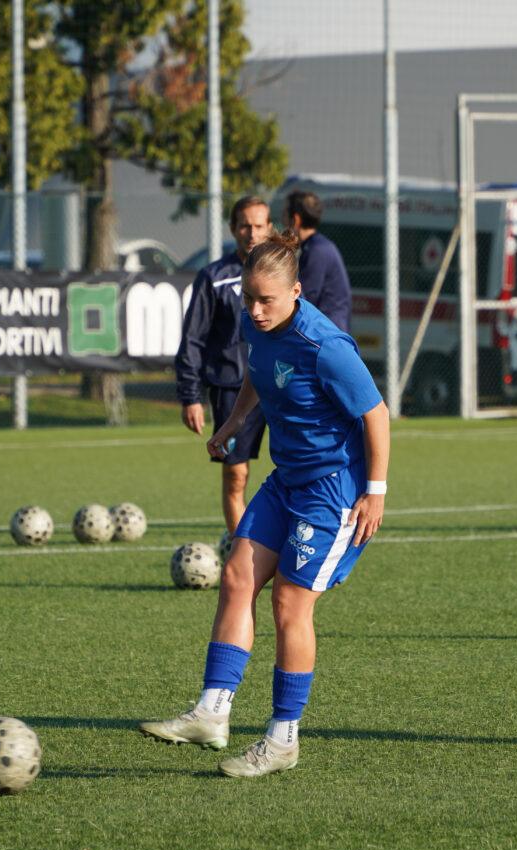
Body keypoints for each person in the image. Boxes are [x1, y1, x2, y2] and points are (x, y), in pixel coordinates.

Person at [141, 231, 390, 778]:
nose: (254, 310)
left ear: (296, 292)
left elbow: (377, 414)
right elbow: (259, 374)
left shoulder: (326, 346)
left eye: (266, 300)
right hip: (288, 480)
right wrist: (233, 424)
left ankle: (282, 740)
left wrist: (376, 492)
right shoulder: (260, 326)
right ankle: (212, 712)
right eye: (248, 298)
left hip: (332, 491)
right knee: (236, 576)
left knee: (290, 605)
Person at [176, 196, 273, 535]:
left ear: (269, 228)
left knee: (296, 467)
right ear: (233, 229)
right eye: (245, 225)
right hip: (232, 389)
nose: (252, 233)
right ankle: (240, 548)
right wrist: (190, 396)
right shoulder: (213, 277)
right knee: (236, 474)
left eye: (259, 225)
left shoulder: (280, 274)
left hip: (279, 384)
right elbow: (193, 339)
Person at [286, 189, 352, 332]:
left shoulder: (317, 250)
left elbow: (303, 300)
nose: (284, 223)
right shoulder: (316, 246)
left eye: (285, 216)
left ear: (296, 220)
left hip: (327, 334)